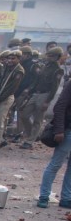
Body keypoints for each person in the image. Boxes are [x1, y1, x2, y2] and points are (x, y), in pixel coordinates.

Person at [18, 47, 63, 148]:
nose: (49, 57)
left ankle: (30, 141)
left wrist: (47, 101)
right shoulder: (44, 66)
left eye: (52, 56)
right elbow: (36, 80)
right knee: (24, 114)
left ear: (58, 57)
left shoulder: (58, 70)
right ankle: (33, 135)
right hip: (36, 93)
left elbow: (54, 88)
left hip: (45, 94)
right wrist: (29, 90)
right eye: (49, 55)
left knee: (38, 119)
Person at [37, 77, 71, 208]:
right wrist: (59, 130)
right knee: (56, 164)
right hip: (67, 130)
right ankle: (44, 196)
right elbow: (60, 107)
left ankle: (66, 198)